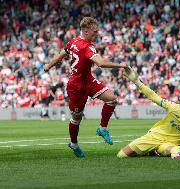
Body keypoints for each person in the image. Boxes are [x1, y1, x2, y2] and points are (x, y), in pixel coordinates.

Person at [44, 17, 127, 158]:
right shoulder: (86, 47)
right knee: (76, 118)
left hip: (88, 80)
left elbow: (60, 55)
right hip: (76, 86)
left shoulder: (73, 42)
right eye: (94, 32)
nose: (97, 34)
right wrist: (121, 65)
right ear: (86, 31)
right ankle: (74, 144)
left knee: (112, 99)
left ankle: (102, 128)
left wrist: (48, 65)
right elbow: (100, 63)